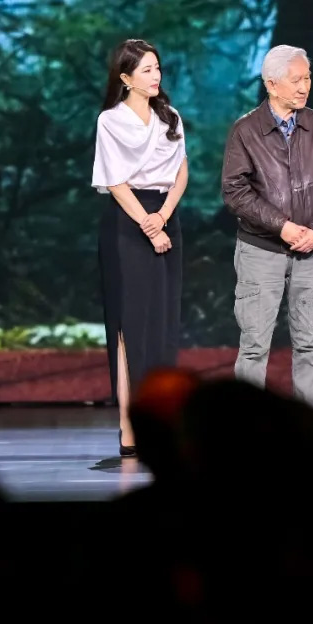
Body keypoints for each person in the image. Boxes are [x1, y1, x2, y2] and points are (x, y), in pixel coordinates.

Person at [221, 44, 313, 414]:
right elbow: (234, 191)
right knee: (254, 346)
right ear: (271, 84)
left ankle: (309, 431)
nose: (304, 86)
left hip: (312, 252)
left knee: (312, 345)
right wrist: (283, 227)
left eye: (307, 78)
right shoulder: (246, 130)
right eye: (296, 80)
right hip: (260, 251)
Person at [93, 39, 188, 454]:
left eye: (157, 68)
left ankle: (162, 418)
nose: (156, 76)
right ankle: (128, 425)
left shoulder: (171, 116)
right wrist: (149, 227)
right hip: (127, 223)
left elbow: (182, 171)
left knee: (163, 321)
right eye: (147, 70)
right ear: (126, 78)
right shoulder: (110, 121)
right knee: (129, 324)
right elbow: (115, 182)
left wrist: (163, 216)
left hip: (165, 215)